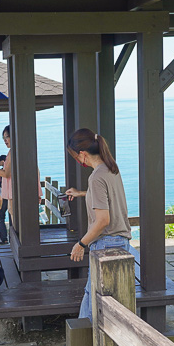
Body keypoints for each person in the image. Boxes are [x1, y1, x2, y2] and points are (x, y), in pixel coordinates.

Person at [64, 128, 131, 319]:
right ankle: (83, 342)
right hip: (121, 241)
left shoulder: (96, 177)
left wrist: (81, 244)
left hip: (106, 243)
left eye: (76, 157)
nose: (78, 161)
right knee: (106, 299)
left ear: (82, 154)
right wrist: (81, 193)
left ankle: (84, 344)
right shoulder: (111, 168)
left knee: (96, 300)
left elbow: (103, 220)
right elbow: (108, 198)